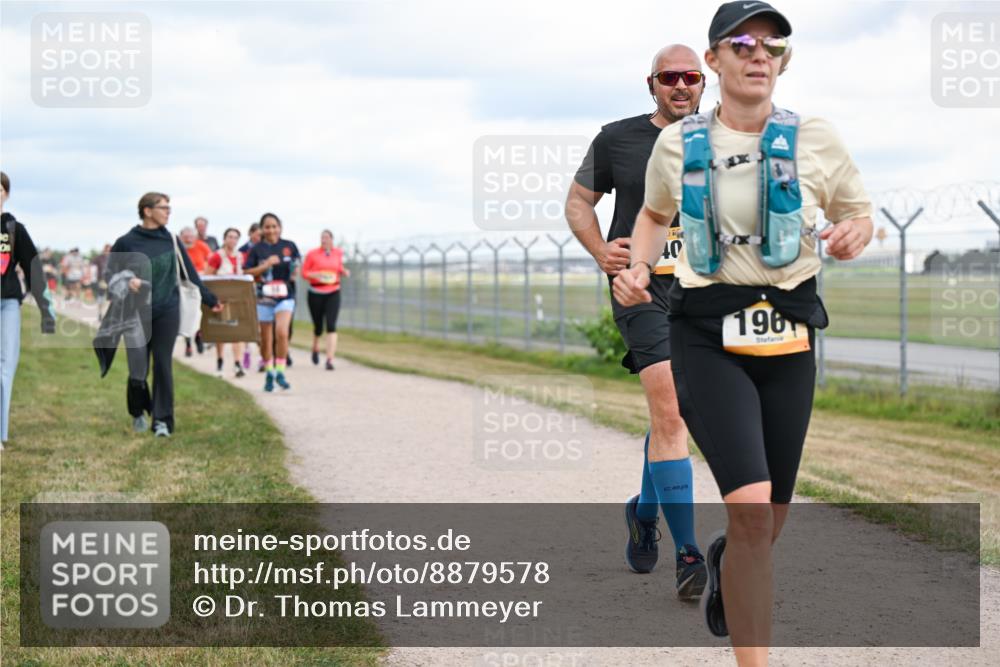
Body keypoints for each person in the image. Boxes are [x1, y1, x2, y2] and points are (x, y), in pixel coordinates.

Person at [613, 2, 873, 663]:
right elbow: (650, 214)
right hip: (705, 333)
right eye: (744, 42)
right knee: (754, 511)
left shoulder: (816, 137)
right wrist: (640, 263)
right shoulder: (680, 143)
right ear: (714, 60)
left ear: (784, 61)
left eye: (775, 45)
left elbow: (859, 213)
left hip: (789, 336)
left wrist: (853, 234)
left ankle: (732, 559)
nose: (761, 53)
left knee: (767, 522)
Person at [566, 44, 707, 598]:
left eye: (690, 77)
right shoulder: (617, 138)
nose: (680, 85)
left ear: (703, 84)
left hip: (705, 294)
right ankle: (690, 554)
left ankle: (644, 512)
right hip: (639, 287)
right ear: (650, 84)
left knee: (677, 411)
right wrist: (602, 251)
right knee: (671, 410)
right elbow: (579, 202)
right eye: (669, 77)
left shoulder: (724, 139)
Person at [106, 192, 223, 437]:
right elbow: (110, 276)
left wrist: (211, 300)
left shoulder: (171, 240)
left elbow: (190, 274)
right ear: (147, 211)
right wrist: (127, 281)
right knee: (138, 371)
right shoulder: (127, 242)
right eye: (164, 207)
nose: (168, 211)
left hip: (167, 309)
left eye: (169, 207)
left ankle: (162, 421)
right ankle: (138, 411)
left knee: (162, 364)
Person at [0, 171, 56, 450]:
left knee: (5, 367)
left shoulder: (14, 229)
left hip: (7, 302)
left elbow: (33, 268)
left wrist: (46, 310)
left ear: (6, 194)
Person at [244, 213, 300, 392]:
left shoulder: (289, 246)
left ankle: (280, 371)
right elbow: (247, 271)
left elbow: (296, 263)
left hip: (285, 296)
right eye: (267, 227)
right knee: (266, 339)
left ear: (280, 227)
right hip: (263, 298)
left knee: (282, 333)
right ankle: (269, 373)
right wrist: (265, 265)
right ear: (262, 229)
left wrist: (295, 271)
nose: (271, 230)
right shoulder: (256, 249)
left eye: (274, 226)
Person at [302, 229, 350, 370]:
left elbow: (338, 267)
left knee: (331, 325)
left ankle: (329, 359)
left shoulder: (338, 253)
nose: (324, 240)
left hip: (333, 292)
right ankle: (315, 347)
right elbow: (304, 273)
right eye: (322, 237)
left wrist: (344, 271)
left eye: (327, 237)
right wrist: (315, 275)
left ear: (331, 239)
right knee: (318, 326)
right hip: (316, 292)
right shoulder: (312, 254)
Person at [205, 227, 246, 378]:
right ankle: (220, 361)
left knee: (237, 332)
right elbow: (207, 276)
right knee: (222, 333)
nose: (232, 240)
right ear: (224, 238)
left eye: (235, 237)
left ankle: (237, 363)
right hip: (220, 299)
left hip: (236, 298)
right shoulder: (217, 257)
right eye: (230, 237)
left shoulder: (241, 257)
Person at [180, 226, 211, 356]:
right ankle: (188, 343)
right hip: (184, 285)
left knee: (199, 312)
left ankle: (198, 335)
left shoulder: (201, 246)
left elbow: (211, 260)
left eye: (190, 237)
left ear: (195, 237)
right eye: (185, 237)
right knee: (187, 313)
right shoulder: (178, 249)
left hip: (200, 282)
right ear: (181, 237)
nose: (188, 239)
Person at [239, 222, 262, 370]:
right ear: (251, 233)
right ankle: (247, 351)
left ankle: (262, 356)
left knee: (261, 322)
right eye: (258, 234)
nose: (260, 237)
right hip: (247, 287)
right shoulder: (243, 250)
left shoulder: (266, 248)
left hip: (261, 288)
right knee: (248, 322)